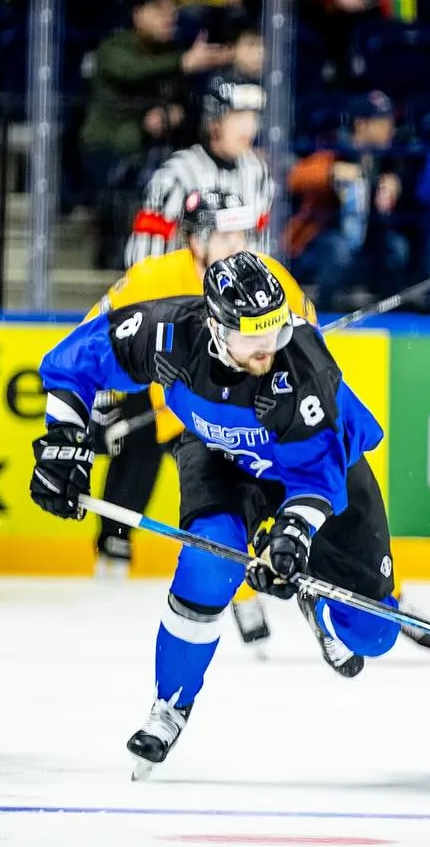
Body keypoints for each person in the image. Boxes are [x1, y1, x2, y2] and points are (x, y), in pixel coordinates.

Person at [31, 251, 400, 778]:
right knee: (209, 564)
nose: (269, 350)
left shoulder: (304, 372)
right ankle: (170, 705)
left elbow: (316, 480)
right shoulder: (164, 333)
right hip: (218, 457)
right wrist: (61, 443)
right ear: (214, 326)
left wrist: (290, 540)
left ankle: (317, 606)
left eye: (275, 333)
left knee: (373, 634)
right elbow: (73, 363)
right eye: (254, 338)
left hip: (314, 471)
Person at [87, 191, 315, 660]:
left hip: (242, 419)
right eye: (225, 234)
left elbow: (307, 334)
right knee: (213, 509)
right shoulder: (154, 277)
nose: (238, 244)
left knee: (284, 496)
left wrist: (301, 344)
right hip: (181, 418)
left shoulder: (264, 279)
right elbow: (94, 334)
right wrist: (101, 403)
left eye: (242, 233)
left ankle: (336, 590)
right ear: (195, 240)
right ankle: (236, 590)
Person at [124, 80, 272, 266]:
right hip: (184, 289)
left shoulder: (259, 173)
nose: (249, 128)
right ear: (214, 122)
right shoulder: (176, 175)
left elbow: (262, 247)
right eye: (238, 117)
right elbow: (143, 257)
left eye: (253, 117)